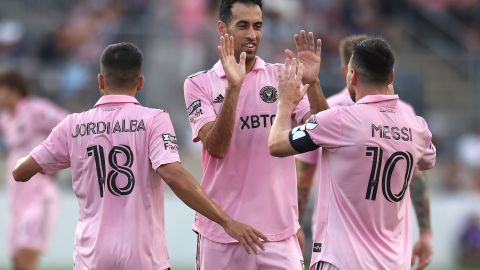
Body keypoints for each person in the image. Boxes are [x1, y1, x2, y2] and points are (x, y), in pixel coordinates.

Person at [12, 42, 266, 270]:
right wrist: (226, 220)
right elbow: (173, 175)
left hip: (92, 258)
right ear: (140, 82)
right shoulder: (154, 120)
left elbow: (21, 172)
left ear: (101, 81)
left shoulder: (73, 126)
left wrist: (38, 161)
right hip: (144, 257)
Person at [268, 38, 436, 270]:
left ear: (352, 75)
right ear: (391, 78)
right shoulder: (417, 127)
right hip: (394, 262)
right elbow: (426, 162)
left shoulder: (340, 119)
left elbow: (276, 144)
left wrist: (285, 104)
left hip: (342, 260)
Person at [183, 0, 326, 268]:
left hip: (279, 236)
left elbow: (322, 131)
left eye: (258, 26)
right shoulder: (198, 83)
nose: (252, 35)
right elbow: (216, 147)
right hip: (222, 234)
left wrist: (314, 84)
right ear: (222, 28)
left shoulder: (281, 76)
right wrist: (233, 88)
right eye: (243, 25)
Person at [0, 70, 68, 270]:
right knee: (17, 262)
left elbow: (70, 126)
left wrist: (58, 164)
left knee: (28, 258)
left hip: (39, 197)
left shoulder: (36, 109)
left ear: (12, 90)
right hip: (18, 200)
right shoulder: (6, 119)